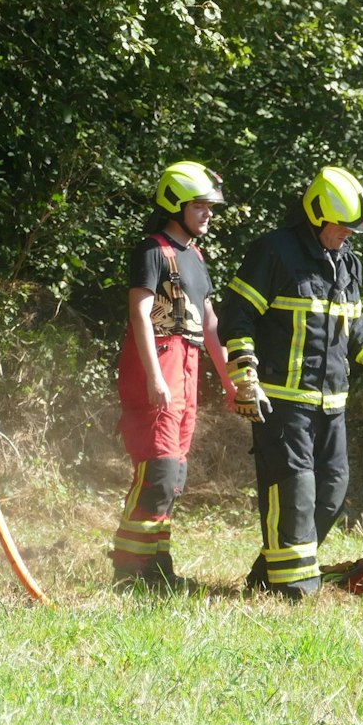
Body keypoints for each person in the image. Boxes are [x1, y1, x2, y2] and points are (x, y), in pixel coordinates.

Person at [215, 166, 363, 598]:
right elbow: (237, 316)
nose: (348, 236)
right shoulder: (274, 253)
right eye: (342, 227)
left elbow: (352, 330)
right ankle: (293, 590)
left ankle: (271, 573)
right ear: (317, 216)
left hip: (331, 404)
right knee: (294, 490)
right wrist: (246, 377)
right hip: (281, 401)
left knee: (331, 492)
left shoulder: (346, 263)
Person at [108, 161, 237, 592]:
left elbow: (211, 323)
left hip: (188, 368)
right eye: (200, 206)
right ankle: (129, 570)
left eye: (210, 207)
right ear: (175, 204)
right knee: (158, 470)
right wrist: (153, 377)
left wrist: (230, 381)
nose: (208, 214)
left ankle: (156, 564)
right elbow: (140, 314)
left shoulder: (196, 257)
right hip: (159, 365)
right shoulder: (152, 251)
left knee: (174, 476)